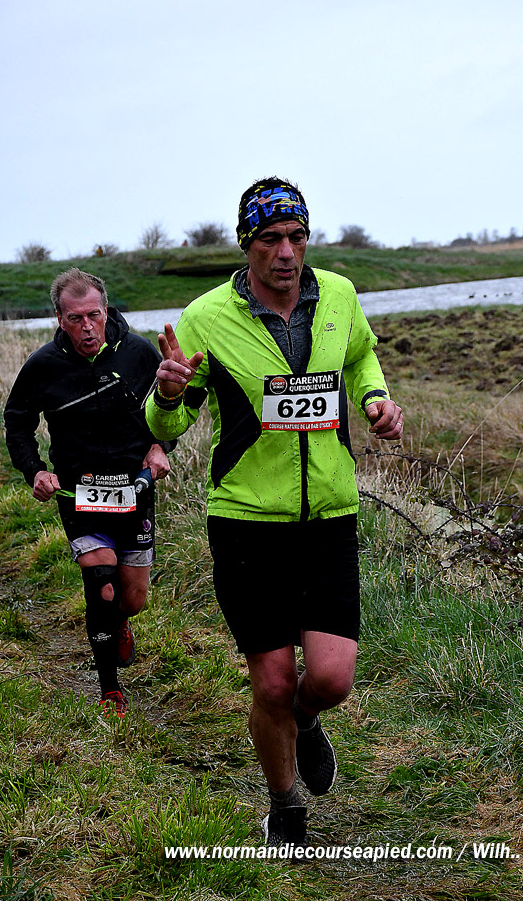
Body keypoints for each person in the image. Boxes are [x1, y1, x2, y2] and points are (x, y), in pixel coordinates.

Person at [145, 178, 403, 848]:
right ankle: (285, 808)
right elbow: (166, 424)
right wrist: (166, 394)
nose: (285, 252)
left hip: (329, 516)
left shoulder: (339, 295)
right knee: (271, 682)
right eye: (269, 240)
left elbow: (360, 356)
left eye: (296, 237)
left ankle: (307, 720)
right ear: (246, 245)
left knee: (330, 678)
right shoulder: (205, 318)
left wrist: (374, 399)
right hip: (246, 524)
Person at [4, 268, 174, 717]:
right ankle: (109, 689)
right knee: (101, 584)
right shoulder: (43, 366)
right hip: (79, 495)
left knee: (131, 599)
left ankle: (119, 623)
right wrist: (35, 471)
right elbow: (17, 423)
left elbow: (169, 409)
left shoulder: (138, 352)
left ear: (106, 311)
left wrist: (161, 446)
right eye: (75, 318)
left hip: (134, 490)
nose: (86, 327)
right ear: (59, 319)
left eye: (93, 315)